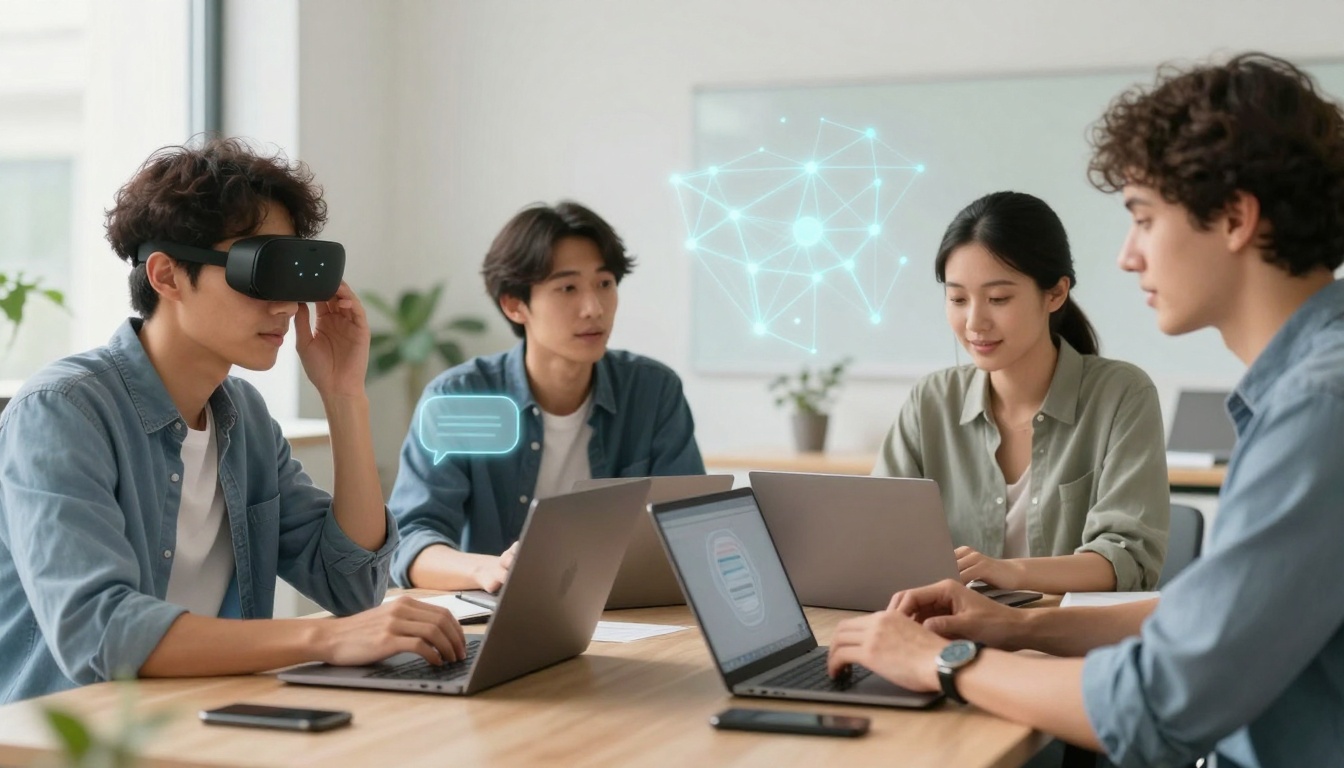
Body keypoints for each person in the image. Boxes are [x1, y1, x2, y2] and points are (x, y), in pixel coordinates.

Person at [828, 53, 1344, 767]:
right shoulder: (1307, 390)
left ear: (1234, 218)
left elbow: (1157, 704)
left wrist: (946, 663)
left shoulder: (1321, 409)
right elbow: (1210, 624)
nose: (1129, 256)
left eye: (1142, 218)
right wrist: (1009, 631)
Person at [0, 138, 465, 704]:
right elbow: (99, 631)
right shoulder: (63, 411)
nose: (287, 305)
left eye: (295, 275)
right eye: (260, 270)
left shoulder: (243, 417)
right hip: (79, 740)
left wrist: (344, 398)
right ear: (167, 276)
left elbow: (353, 587)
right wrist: (324, 638)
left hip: (208, 722)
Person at [389, 201, 704, 592]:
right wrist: (487, 570)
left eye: (604, 284)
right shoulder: (461, 399)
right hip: (499, 615)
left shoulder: (653, 391)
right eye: (567, 288)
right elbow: (411, 541)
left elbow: (691, 525)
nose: (594, 308)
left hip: (629, 612)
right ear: (514, 305)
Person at [874, 191, 1169, 593]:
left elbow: (1128, 559)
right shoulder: (931, 401)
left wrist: (1008, 571)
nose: (974, 322)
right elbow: (879, 539)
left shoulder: (1122, 395)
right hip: (948, 637)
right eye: (958, 298)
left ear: (1055, 294)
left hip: (1066, 643)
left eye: (998, 298)